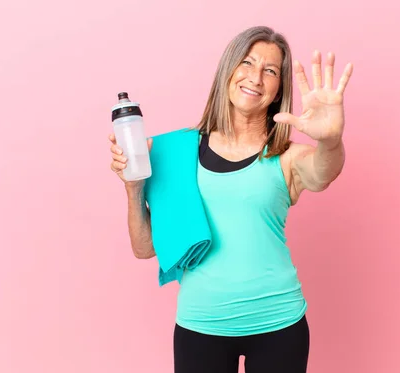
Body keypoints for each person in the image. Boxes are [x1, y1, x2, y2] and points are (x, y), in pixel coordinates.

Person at [108, 26, 353, 373]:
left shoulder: (285, 156)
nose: (255, 77)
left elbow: (324, 171)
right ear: (229, 69)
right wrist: (133, 187)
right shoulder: (175, 153)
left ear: (278, 89)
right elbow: (145, 248)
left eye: (270, 71)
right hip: (200, 326)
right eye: (247, 62)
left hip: (279, 324)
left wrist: (331, 141)